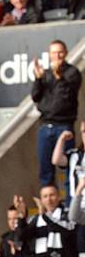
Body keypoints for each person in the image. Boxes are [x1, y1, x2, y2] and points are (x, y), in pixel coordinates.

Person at [31, 40, 82, 187]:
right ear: (49, 55)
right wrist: (38, 79)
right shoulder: (45, 73)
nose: (57, 55)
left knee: (68, 168)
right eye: (54, 52)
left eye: (60, 52)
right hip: (45, 126)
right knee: (45, 170)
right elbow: (35, 96)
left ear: (65, 53)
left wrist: (58, 75)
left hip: (64, 126)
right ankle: (49, 203)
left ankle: (68, 204)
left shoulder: (72, 72)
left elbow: (67, 96)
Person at [52, 121, 85, 257]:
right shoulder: (74, 155)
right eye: (84, 131)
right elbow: (56, 160)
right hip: (77, 209)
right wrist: (61, 139)